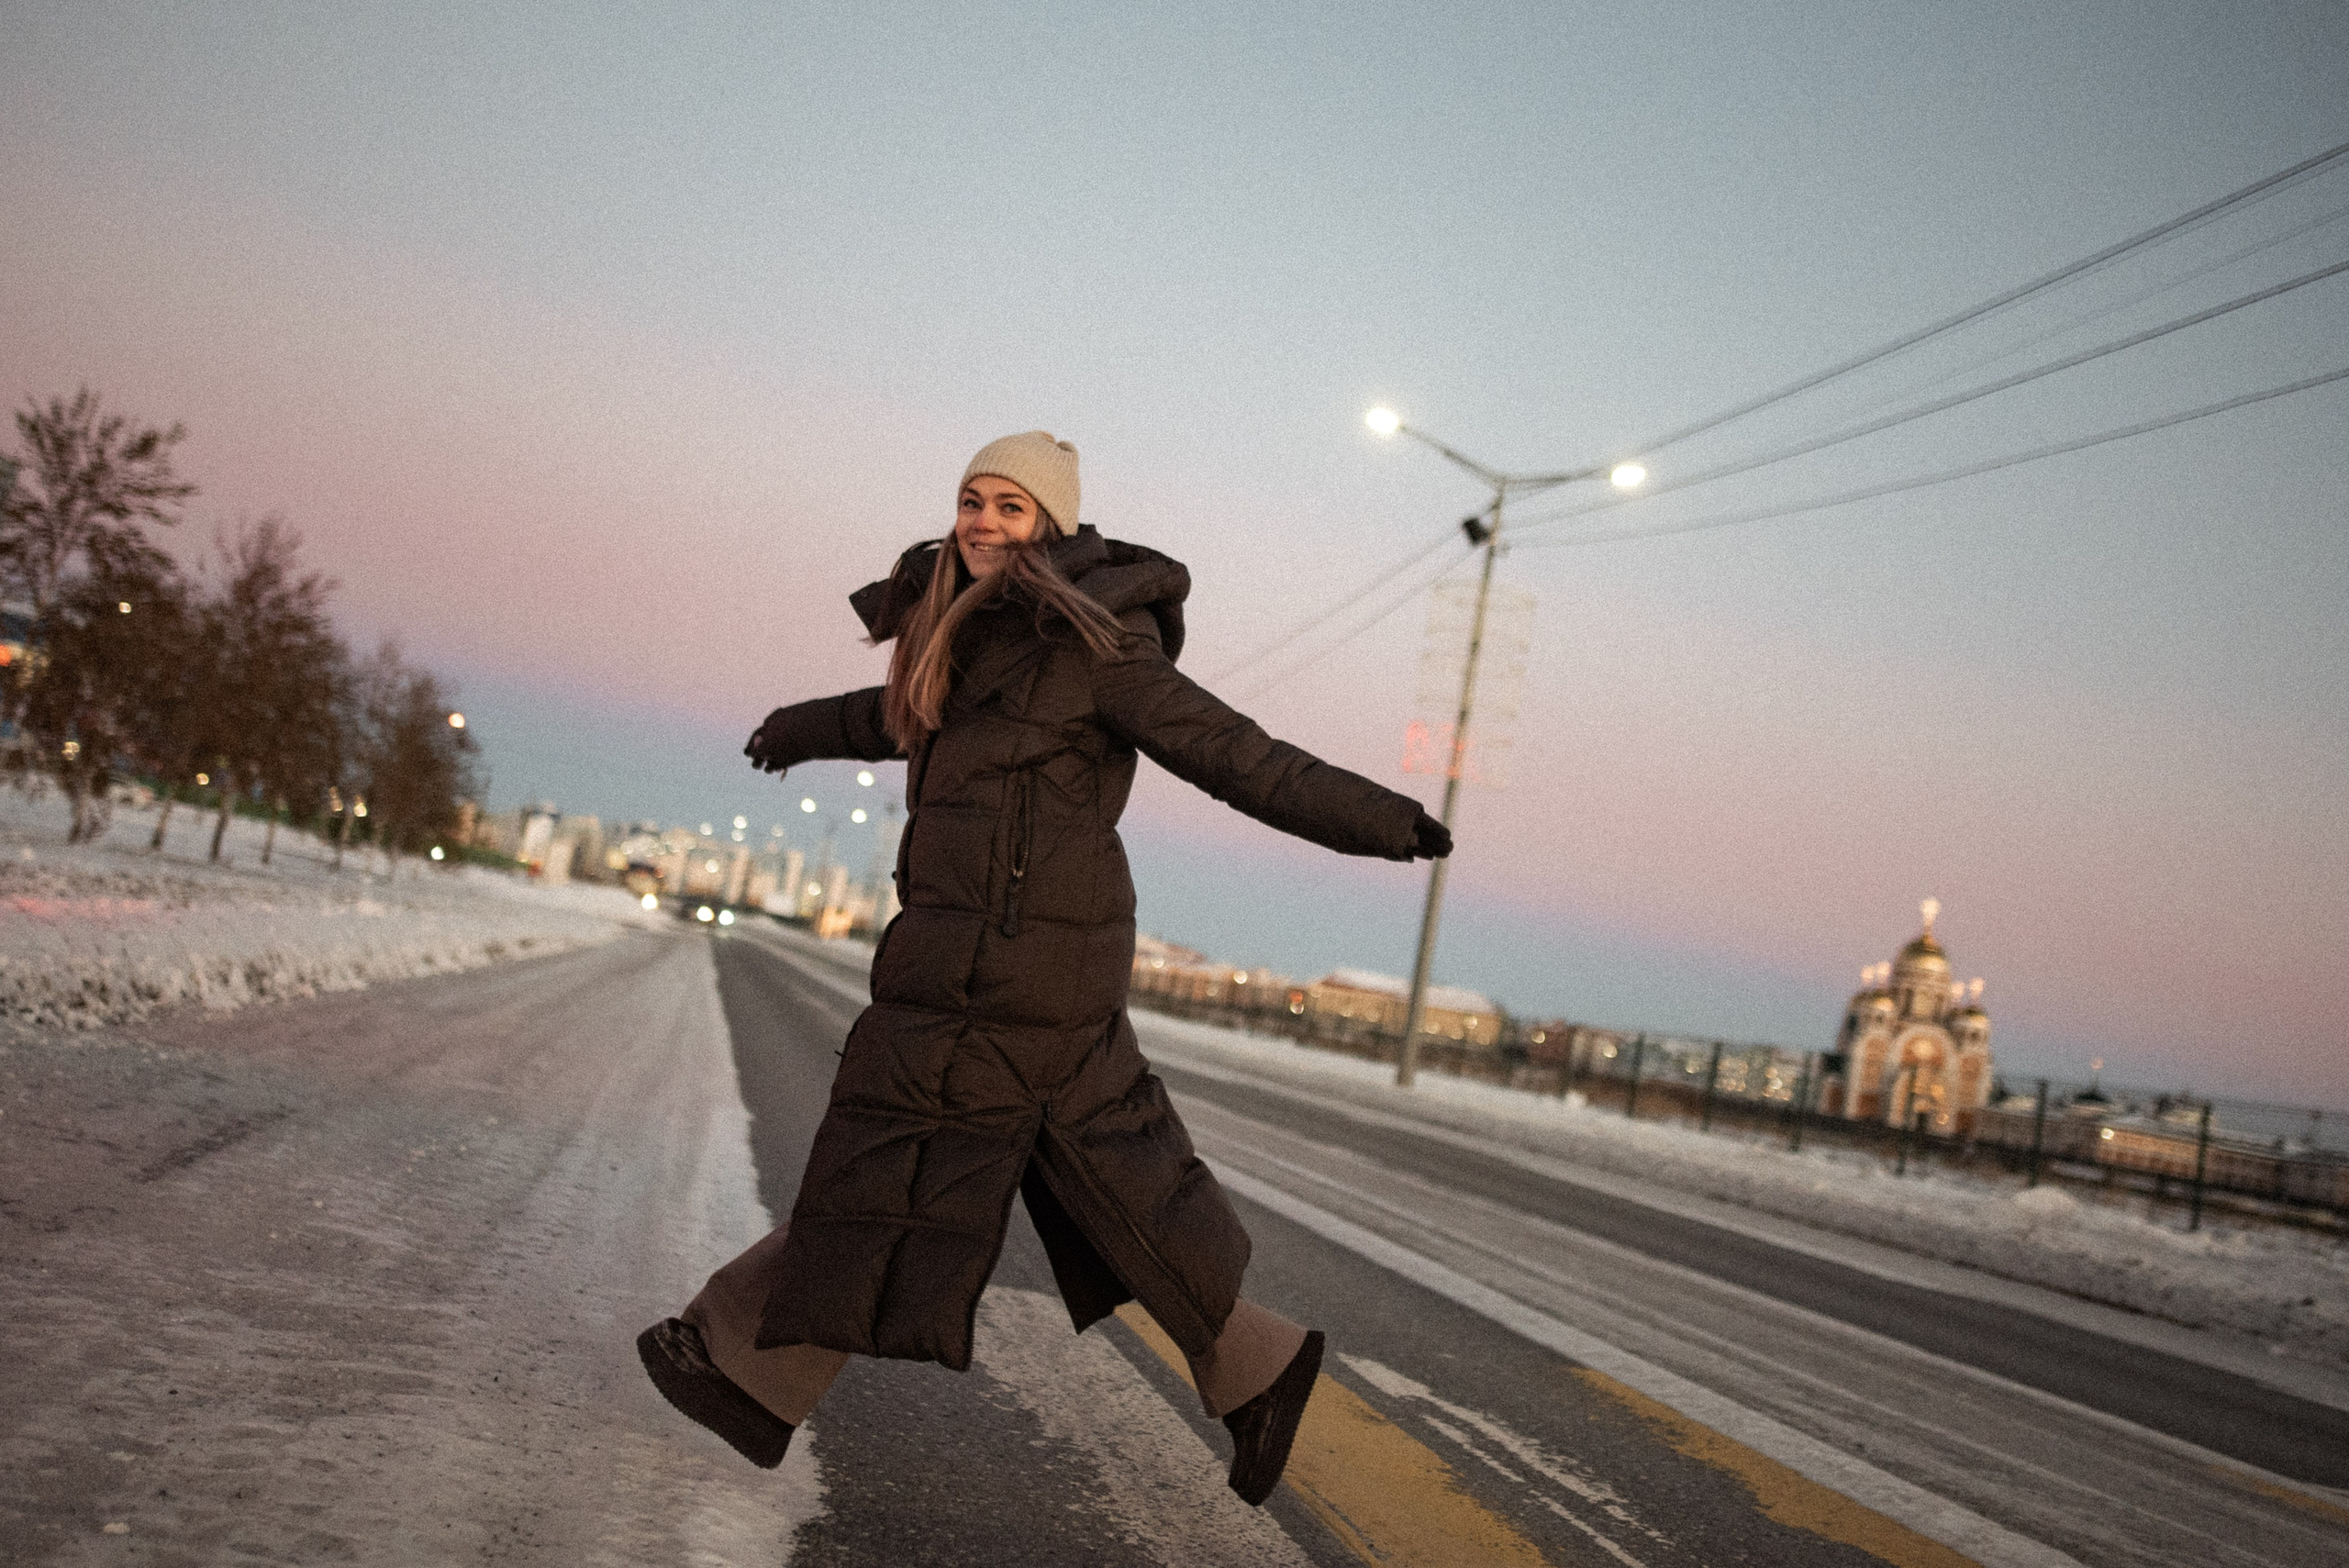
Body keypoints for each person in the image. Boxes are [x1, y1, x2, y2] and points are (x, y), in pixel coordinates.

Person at [639, 430, 1452, 1506]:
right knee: (1112, 1182)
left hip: (1012, 972)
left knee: (886, 1165)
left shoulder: (1093, 641)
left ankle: (739, 1361)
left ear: (1051, 524)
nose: (981, 521)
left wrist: (1381, 820)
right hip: (990, 962)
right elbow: (898, 718)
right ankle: (1256, 1367)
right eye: (972, 499)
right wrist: (799, 725)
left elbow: (1234, 752)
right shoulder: (961, 631)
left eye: (1010, 506)